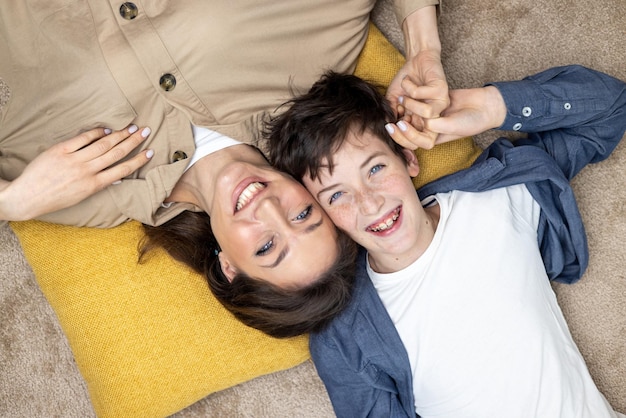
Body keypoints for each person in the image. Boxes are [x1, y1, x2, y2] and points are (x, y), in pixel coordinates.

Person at [0, 1, 444, 336]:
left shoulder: (89, 194)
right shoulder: (306, 61)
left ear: (229, 266)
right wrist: (424, 48)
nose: (269, 208)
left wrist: (13, 200)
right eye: (304, 216)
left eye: (268, 246)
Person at [266, 66, 626, 416]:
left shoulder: (498, 195)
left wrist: (491, 108)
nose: (370, 202)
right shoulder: (343, 337)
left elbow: (611, 108)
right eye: (336, 196)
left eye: (375, 169)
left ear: (407, 157)